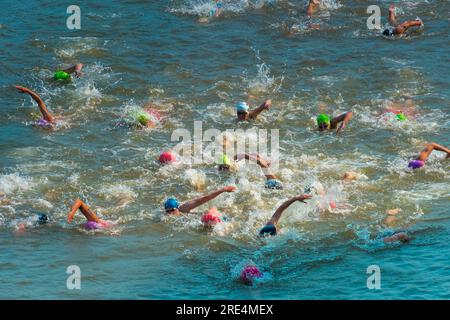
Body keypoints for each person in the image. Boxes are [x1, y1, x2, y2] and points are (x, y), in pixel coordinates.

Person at [164, 186, 236, 216]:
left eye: (172, 210)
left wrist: (223, 190)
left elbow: (206, 198)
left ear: (177, 208)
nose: (170, 213)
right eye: (167, 211)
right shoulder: (166, 216)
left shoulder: (184, 207)